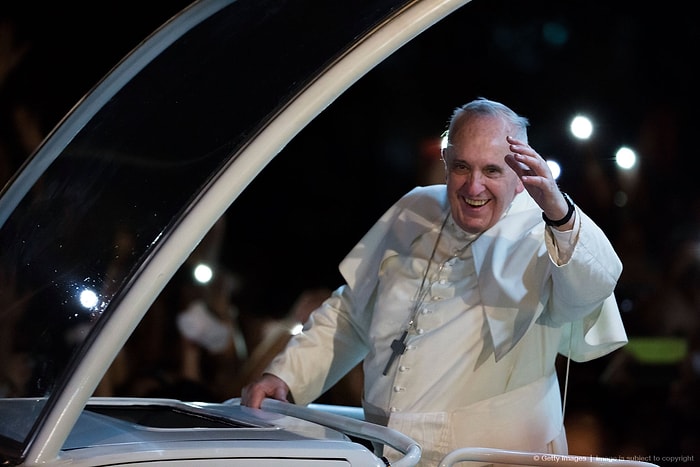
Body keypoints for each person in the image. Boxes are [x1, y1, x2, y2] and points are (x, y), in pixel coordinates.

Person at [241, 97, 627, 465]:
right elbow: (352, 314)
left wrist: (559, 214)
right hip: (387, 451)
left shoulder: (546, 232)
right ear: (446, 163)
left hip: (487, 460)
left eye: (492, 170)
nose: (474, 187)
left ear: (521, 177)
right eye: (462, 167)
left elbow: (593, 288)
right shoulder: (414, 210)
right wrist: (287, 376)